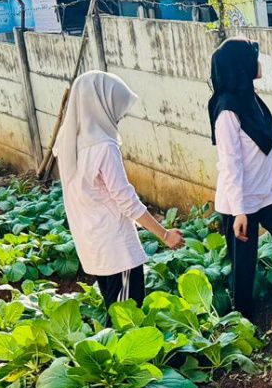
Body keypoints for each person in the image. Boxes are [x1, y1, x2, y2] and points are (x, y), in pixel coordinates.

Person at [54, 70, 183, 306]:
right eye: (116, 108)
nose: (119, 116)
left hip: (91, 243)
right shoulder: (103, 146)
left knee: (117, 311)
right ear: (100, 105)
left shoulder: (67, 142)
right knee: (127, 320)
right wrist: (165, 235)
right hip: (116, 250)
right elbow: (126, 199)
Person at [209, 37, 272, 328]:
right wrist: (238, 212)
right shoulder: (226, 112)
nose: (258, 62)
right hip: (239, 202)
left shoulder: (252, 99)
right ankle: (242, 325)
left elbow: (266, 154)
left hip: (269, 193)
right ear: (241, 66)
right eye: (253, 57)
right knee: (243, 268)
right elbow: (230, 165)